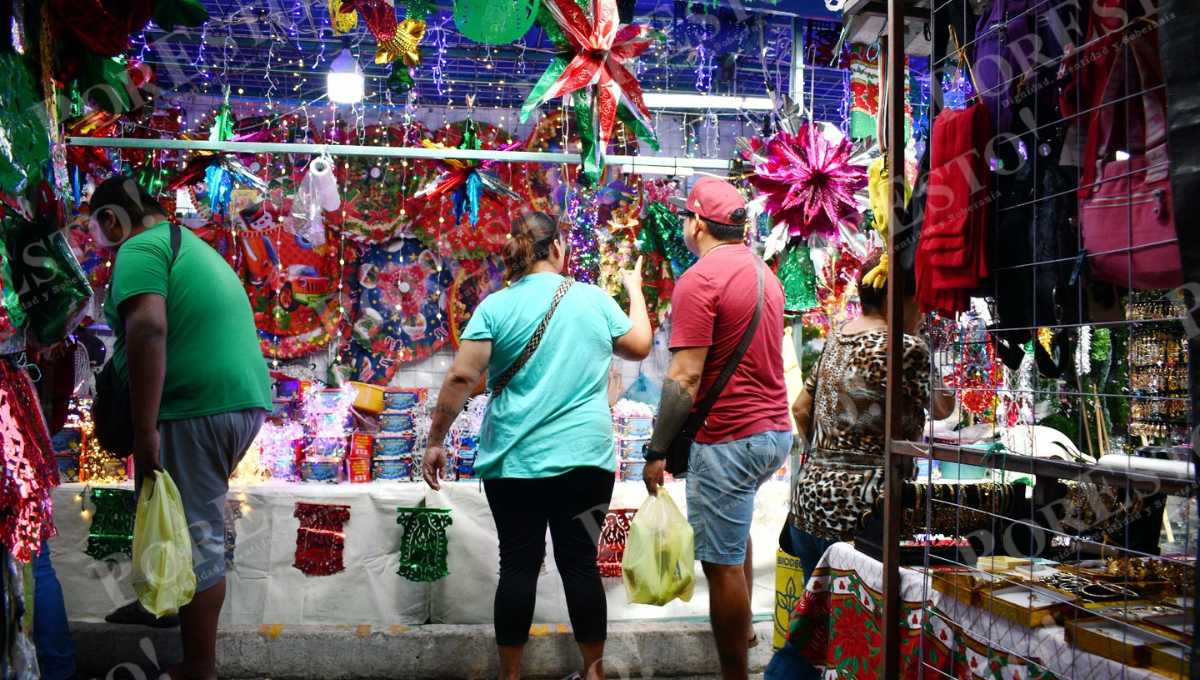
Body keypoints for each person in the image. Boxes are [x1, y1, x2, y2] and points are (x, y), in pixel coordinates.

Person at [421, 211, 652, 680]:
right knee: (581, 566)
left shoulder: (495, 306)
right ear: (559, 248)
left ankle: (510, 676)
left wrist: (435, 440)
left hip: (514, 464)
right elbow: (640, 345)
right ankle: (594, 673)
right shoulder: (593, 299)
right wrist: (634, 289)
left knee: (518, 565)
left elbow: (462, 376)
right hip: (587, 464)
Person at [90, 175, 272, 680]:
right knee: (165, 508)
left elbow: (148, 329)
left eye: (97, 231)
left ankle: (199, 666)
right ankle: (161, 604)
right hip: (233, 401)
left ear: (111, 219)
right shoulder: (186, 244)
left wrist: (144, 428)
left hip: (194, 406)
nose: (100, 243)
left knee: (194, 532)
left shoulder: (139, 249)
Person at [765, 253, 953, 680]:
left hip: (810, 505)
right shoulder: (905, 348)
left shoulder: (838, 337)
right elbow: (944, 408)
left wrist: (826, 457)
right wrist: (926, 348)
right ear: (898, 297)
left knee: (814, 633)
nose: (924, 312)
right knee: (856, 640)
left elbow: (801, 408)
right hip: (863, 517)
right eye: (920, 302)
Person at [640, 177, 793, 680]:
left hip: (730, 437)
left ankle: (735, 674)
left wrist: (657, 450)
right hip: (773, 433)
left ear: (697, 223)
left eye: (686, 217)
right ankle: (743, 631)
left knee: (721, 567)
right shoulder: (765, 274)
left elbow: (684, 377)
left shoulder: (700, 278)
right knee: (735, 535)